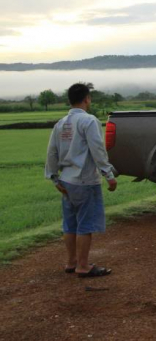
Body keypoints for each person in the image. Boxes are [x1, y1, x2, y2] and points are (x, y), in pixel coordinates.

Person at [44, 83, 117, 278]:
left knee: (70, 224)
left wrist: (54, 177)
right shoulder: (89, 121)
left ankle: (71, 262)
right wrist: (108, 174)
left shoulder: (60, 124)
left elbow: (52, 152)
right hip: (85, 181)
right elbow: (97, 150)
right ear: (87, 99)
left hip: (66, 181)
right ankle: (83, 266)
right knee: (85, 224)